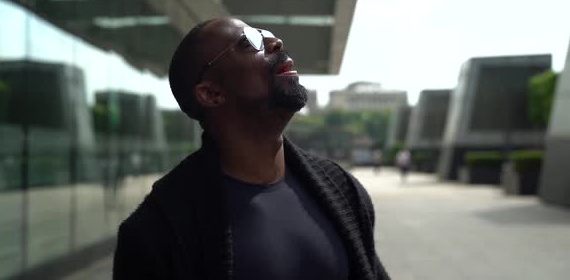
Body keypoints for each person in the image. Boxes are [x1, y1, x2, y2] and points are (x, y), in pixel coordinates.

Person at [113, 18, 390, 280]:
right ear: (211, 93)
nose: (275, 42)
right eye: (249, 42)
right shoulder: (155, 232)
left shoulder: (343, 190)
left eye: (267, 34)